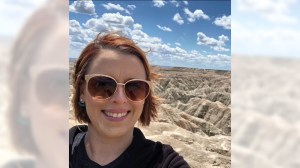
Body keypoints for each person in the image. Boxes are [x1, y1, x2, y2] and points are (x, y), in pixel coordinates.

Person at [69, 32, 190, 168]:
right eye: (103, 84)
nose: (120, 99)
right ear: (81, 92)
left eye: (135, 87)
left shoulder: (164, 162)